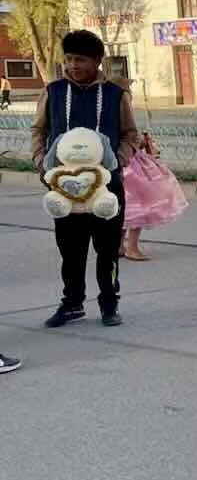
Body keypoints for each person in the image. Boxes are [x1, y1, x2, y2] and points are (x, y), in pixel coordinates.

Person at [30, 29, 141, 328]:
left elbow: (131, 134)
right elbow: (38, 131)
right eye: (68, 59)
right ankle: (72, 304)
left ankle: (109, 303)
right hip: (65, 189)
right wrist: (42, 164)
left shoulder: (116, 95)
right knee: (71, 251)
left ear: (97, 61)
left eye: (80, 59)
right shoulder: (52, 92)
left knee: (107, 251)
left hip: (107, 189)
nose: (72, 65)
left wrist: (117, 161)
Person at [121, 130, 189, 261]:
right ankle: (132, 247)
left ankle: (119, 246)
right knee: (139, 209)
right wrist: (143, 139)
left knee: (125, 210)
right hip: (134, 169)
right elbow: (133, 139)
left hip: (122, 166)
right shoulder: (126, 121)